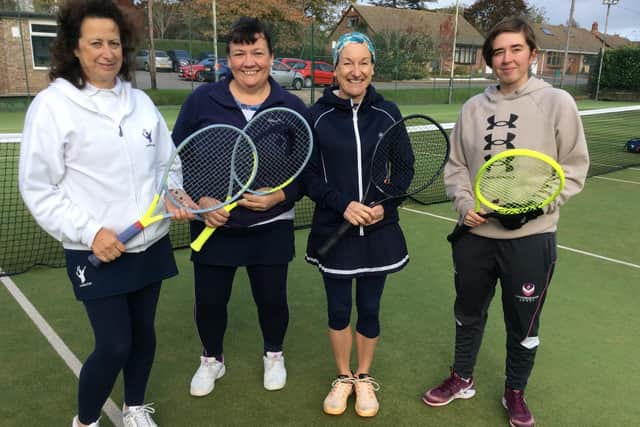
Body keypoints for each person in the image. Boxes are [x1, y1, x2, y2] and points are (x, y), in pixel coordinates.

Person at [18, 1, 192, 427]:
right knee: (114, 345)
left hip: (148, 244)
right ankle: (86, 420)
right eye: (95, 42)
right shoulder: (52, 106)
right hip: (95, 251)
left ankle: (134, 408)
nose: (107, 52)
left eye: (113, 42)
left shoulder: (141, 104)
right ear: (74, 48)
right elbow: (39, 188)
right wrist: (91, 231)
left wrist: (173, 193)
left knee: (143, 335)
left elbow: (167, 163)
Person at [421, 17, 589, 427]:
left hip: (531, 240)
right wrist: (464, 204)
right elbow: (457, 168)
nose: (506, 58)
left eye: (515, 49)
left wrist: (534, 207)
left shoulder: (557, 103)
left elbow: (573, 169)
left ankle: (515, 390)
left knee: (523, 323)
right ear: (490, 59)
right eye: (498, 51)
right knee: (468, 312)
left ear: (533, 54)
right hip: (476, 237)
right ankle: (462, 377)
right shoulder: (473, 108)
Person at [171, 16, 309, 397]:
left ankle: (274, 355)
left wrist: (280, 196)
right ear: (228, 59)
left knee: (272, 300)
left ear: (272, 57)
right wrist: (199, 202)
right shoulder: (201, 100)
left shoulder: (293, 106)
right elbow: (176, 159)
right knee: (212, 302)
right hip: (213, 227)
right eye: (239, 53)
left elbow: (307, 170)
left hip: (272, 227)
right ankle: (211, 360)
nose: (249, 61)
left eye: (257, 52)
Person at [303, 32, 411, 418]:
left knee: (369, 307)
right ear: (334, 69)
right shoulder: (315, 117)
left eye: (363, 62)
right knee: (337, 309)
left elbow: (405, 169)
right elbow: (309, 176)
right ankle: (344, 377)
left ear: (372, 67)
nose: (356, 70)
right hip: (335, 230)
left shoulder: (388, 112)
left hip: (379, 233)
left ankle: (364, 378)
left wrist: (384, 203)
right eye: (347, 62)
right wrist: (342, 205)